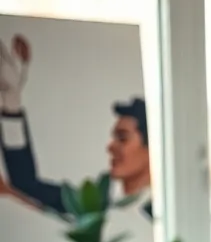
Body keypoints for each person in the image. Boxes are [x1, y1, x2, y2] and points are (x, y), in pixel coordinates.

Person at [1, 33, 152, 218]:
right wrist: (11, 101)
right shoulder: (99, 204)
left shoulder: (168, 209)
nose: (110, 147)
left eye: (122, 138)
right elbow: (25, 183)